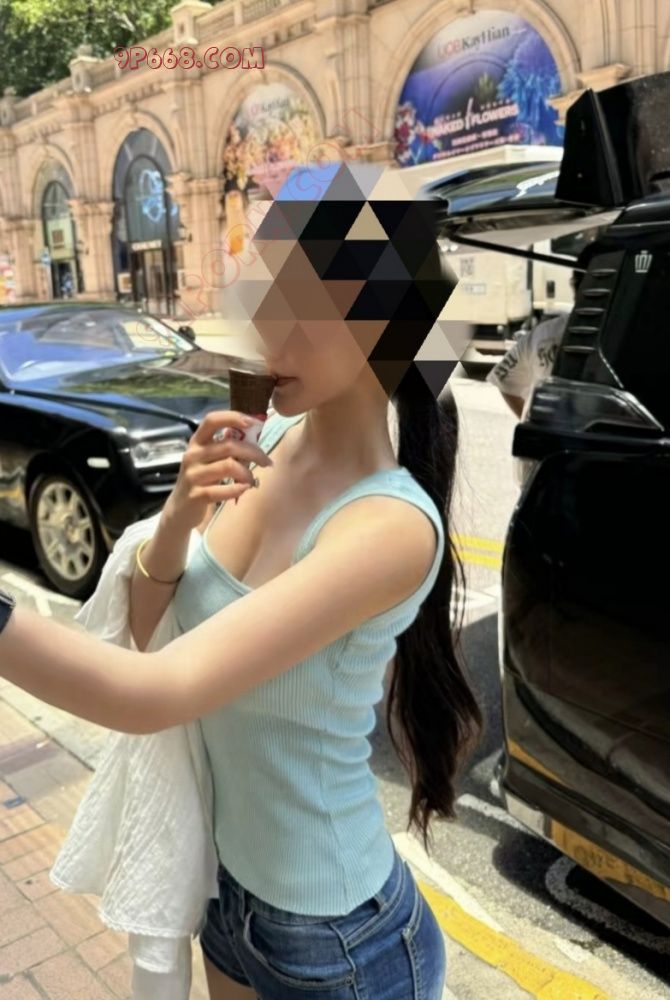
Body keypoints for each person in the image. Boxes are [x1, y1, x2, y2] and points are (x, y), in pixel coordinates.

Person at [0, 163, 482, 1000]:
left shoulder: (389, 528)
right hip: (227, 897)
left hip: (339, 938)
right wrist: (180, 514)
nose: (263, 326)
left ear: (381, 325)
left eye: (298, 302)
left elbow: (153, 692)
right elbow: (148, 630)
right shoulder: (272, 439)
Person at [487, 266, 586, 418]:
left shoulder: (542, 334)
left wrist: (530, 421)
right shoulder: (622, 334)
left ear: (573, 286)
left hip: (552, 429)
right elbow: (504, 378)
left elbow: (504, 379)